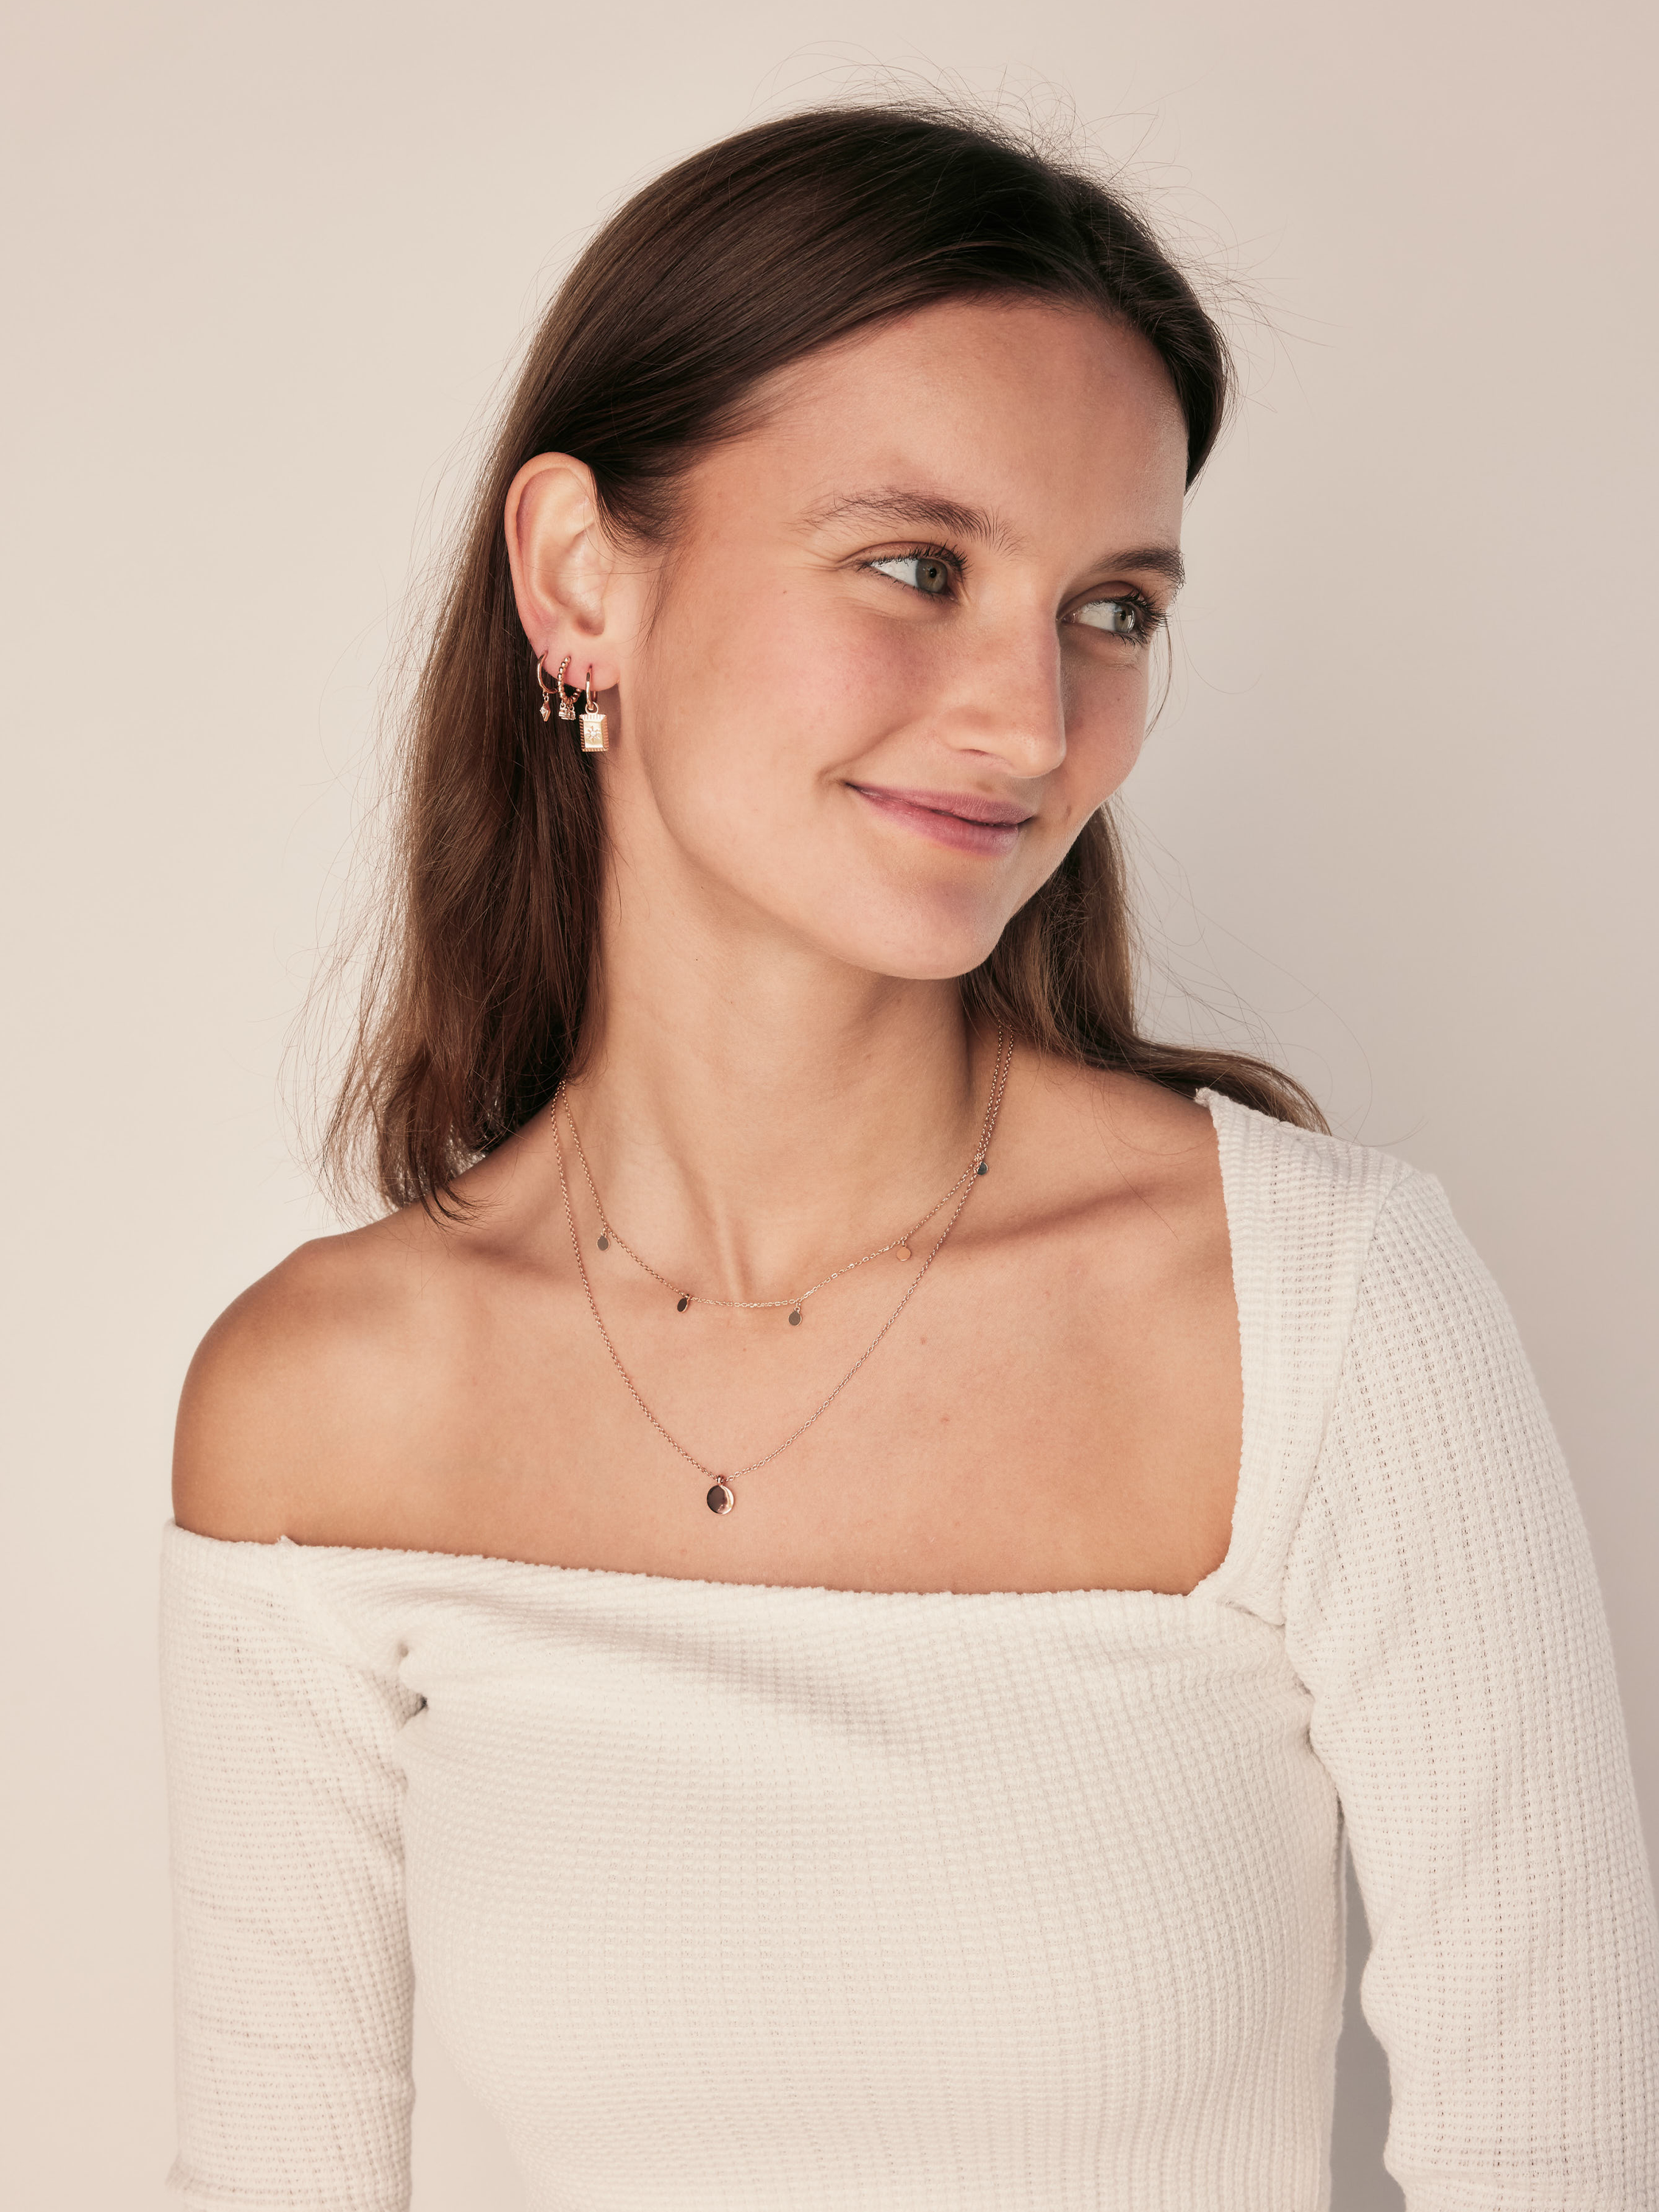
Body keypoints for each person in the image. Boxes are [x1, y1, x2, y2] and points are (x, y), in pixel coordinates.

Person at [158, 102, 1658, 2210]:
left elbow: (1555, 2152)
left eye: (1113, 608)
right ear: (582, 578)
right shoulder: (323, 1404)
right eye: (917, 567)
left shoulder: (1318, 1312)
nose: (1033, 722)